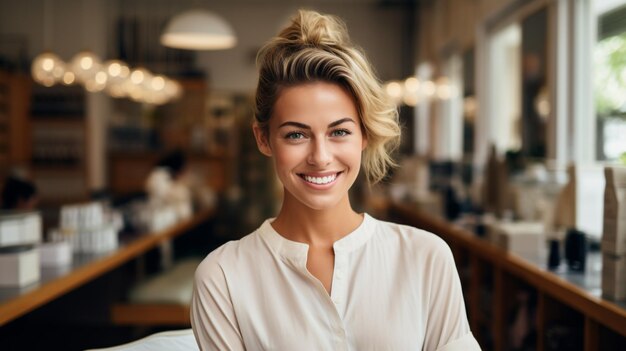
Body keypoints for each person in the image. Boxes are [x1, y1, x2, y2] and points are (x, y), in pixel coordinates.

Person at [191, 10, 480, 350]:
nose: (321, 157)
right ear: (264, 139)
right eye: (296, 135)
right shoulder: (223, 277)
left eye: (339, 131)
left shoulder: (426, 257)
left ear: (364, 136)